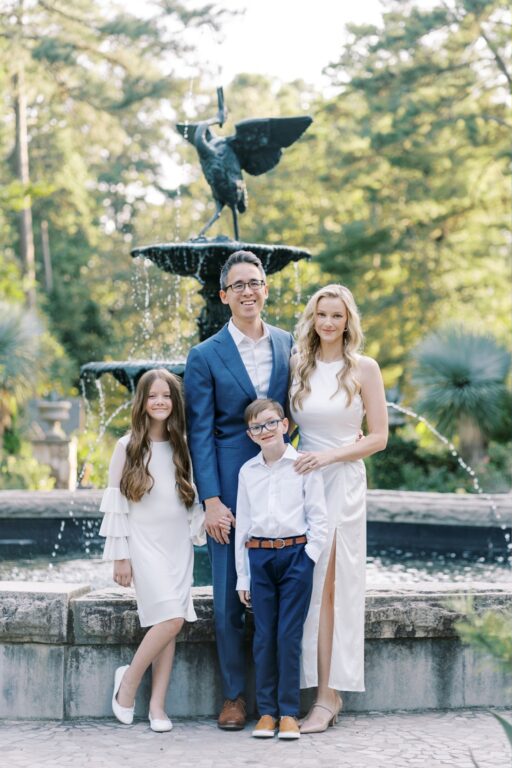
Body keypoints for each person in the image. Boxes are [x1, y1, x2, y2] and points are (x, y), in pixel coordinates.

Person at [184, 250, 294, 729]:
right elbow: (199, 431)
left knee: (281, 587)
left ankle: (279, 696)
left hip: (284, 481)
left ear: (266, 289)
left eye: (256, 282)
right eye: (239, 285)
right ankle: (233, 696)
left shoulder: (290, 344)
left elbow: (301, 407)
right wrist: (211, 500)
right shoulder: (205, 355)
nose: (249, 291)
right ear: (224, 294)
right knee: (229, 593)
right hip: (228, 484)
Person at [287, 284, 388, 733]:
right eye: (322, 315)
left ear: (349, 321)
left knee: (332, 586)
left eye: (337, 316)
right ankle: (307, 688)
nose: (329, 323)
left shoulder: (364, 369)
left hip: (342, 482)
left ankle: (328, 698)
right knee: (307, 585)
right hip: (302, 484)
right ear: (312, 318)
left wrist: (329, 457)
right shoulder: (298, 365)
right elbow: (285, 424)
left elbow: (379, 437)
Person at [101, 368, 205, 732]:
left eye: (167, 396)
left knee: (170, 620)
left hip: (177, 546)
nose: (160, 401)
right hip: (144, 545)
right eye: (152, 396)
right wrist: (121, 556)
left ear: (175, 402)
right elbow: (115, 505)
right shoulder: (126, 446)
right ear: (142, 402)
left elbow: (191, 501)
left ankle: (157, 706)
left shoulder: (184, 445)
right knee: (171, 618)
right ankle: (128, 683)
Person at [235, 398, 329, 740]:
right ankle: (267, 713)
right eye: (257, 427)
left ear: (285, 425)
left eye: (271, 423)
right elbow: (243, 526)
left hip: (295, 557)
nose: (266, 430)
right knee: (263, 637)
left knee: (289, 636)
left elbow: (319, 517)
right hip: (259, 558)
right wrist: (242, 576)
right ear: (250, 434)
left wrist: (308, 558)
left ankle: (289, 712)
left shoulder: (303, 465)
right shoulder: (247, 472)